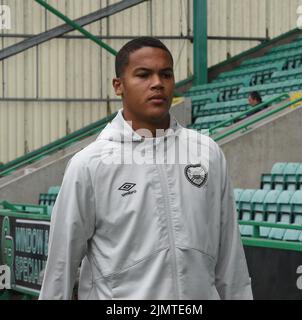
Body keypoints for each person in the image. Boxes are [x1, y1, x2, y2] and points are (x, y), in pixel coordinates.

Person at [39, 37, 252, 300]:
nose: (157, 83)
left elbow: (231, 258)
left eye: (166, 74)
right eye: (143, 75)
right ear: (119, 86)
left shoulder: (206, 153)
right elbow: (61, 265)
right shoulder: (90, 164)